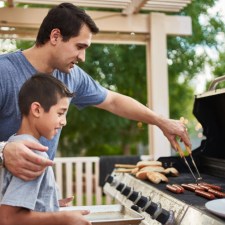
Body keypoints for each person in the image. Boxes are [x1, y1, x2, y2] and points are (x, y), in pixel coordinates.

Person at [0, 2, 190, 182]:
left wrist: (161, 121)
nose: (82, 57)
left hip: (32, 199)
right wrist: (3, 152)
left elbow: (113, 101)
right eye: (79, 47)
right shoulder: (4, 72)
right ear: (55, 36)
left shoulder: (71, 76)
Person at [0, 74, 92, 225]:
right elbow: (8, 218)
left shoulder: (14, 144)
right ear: (36, 110)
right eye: (60, 113)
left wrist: (48, 203)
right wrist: (63, 218)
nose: (64, 122)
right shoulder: (31, 155)